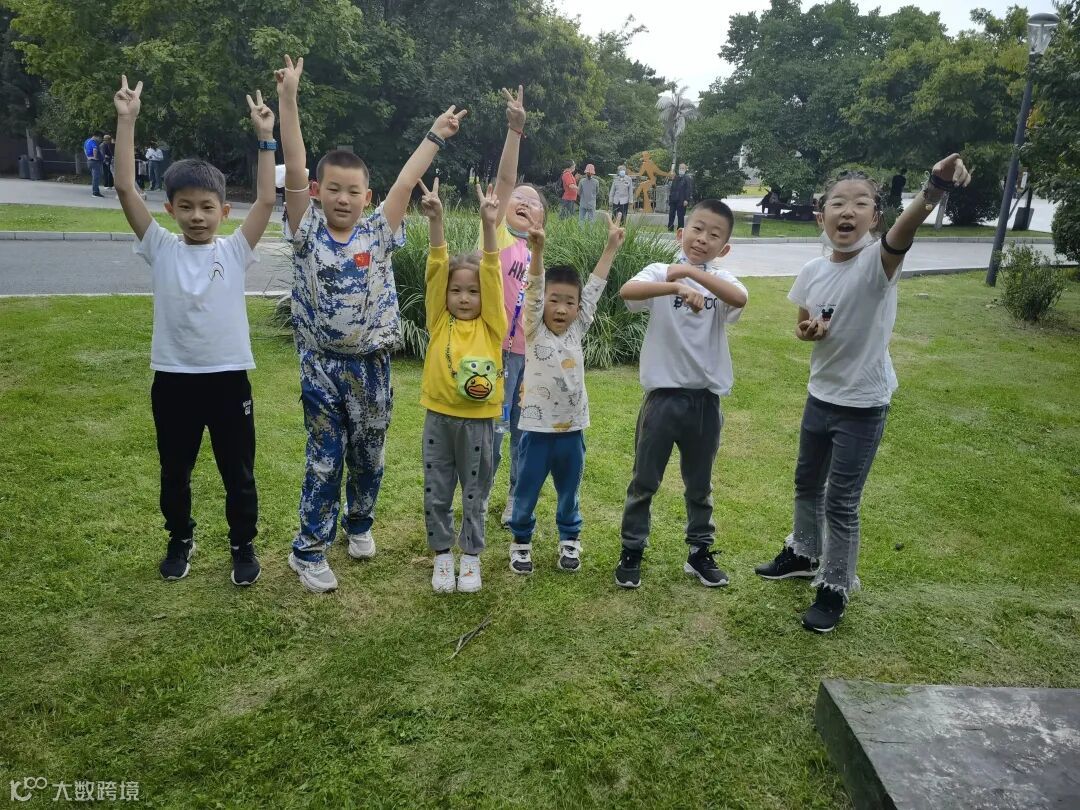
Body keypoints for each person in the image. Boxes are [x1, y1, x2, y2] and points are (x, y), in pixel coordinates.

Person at [753, 155, 972, 633]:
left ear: (875, 218)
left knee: (841, 500)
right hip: (820, 394)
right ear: (822, 215)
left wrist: (935, 188)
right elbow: (803, 327)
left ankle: (834, 585)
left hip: (863, 403)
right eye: (837, 203)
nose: (847, 211)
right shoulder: (813, 270)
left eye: (860, 203)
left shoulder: (879, 263)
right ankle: (804, 553)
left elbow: (905, 229)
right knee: (806, 483)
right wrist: (809, 331)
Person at [276, 54, 467, 593]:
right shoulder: (306, 230)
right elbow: (295, 164)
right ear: (318, 191)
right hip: (320, 367)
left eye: (353, 191)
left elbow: (406, 181)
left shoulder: (378, 231)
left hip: (373, 367)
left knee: (369, 453)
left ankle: (358, 523)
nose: (343, 198)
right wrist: (289, 99)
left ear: (367, 196)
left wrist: (435, 135)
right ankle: (308, 549)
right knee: (324, 458)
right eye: (333, 188)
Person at [111, 75, 278, 586]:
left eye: (208, 207)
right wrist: (126, 121)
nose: (198, 217)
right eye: (186, 207)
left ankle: (242, 544)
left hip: (229, 380)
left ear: (224, 211)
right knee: (174, 471)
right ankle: (180, 538)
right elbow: (125, 188)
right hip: (174, 381)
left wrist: (265, 138)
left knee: (238, 473)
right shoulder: (160, 246)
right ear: (170, 210)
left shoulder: (235, 249)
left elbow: (266, 201)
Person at [614, 199, 748, 589]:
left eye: (714, 235)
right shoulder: (661, 272)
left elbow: (740, 299)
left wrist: (691, 273)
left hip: (705, 401)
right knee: (644, 481)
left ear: (724, 247)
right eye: (697, 229)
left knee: (700, 485)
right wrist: (675, 283)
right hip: (662, 399)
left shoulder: (722, 280)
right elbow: (627, 291)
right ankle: (632, 550)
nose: (703, 238)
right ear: (680, 233)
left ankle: (699, 552)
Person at [507, 212, 625, 575]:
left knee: (569, 492)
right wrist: (537, 252)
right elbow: (534, 289)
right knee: (526, 491)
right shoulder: (534, 328)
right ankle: (521, 542)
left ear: (578, 308)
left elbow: (594, 287)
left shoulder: (577, 328)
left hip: (572, 430)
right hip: (536, 432)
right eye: (554, 300)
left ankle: (570, 539)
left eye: (569, 303)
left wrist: (610, 247)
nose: (561, 308)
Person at [418, 179, 507, 593]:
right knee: (437, 490)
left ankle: (470, 557)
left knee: (475, 492)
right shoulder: (439, 320)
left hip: (479, 422)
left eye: (472, 291)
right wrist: (436, 222)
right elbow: (437, 269)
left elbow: (492, 272)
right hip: (439, 418)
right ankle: (441, 556)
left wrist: (489, 225)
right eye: (457, 290)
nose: (465, 297)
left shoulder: (492, 326)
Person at [484, 85, 538, 529]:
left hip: (529, 358)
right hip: (493, 352)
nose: (523, 202)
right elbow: (504, 183)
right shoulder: (498, 236)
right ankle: (481, 493)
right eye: (519, 199)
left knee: (523, 433)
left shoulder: (540, 254)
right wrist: (515, 130)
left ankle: (515, 499)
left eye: (534, 202)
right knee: (491, 430)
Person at [667, 162, 694, 231]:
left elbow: (689, 189)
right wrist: (670, 199)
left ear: (685, 169)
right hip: (673, 199)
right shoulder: (675, 177)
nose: (681, 170)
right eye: (680, 168)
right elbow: (672, 189)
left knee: (680, 216)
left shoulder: (687, 178)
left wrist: (687, 200)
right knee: (671, 214)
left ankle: (680, 229)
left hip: (682, 200)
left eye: (682, 168)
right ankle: (670, 228)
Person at [84, 130, 104, 197]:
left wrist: (88, 157)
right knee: (96, 177)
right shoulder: (94, 142)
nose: (100, 140)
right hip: (95, 162)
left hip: (89, 161)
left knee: (95, 176)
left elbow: (84, 149)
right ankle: (95, 192)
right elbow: (94, 149)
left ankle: (96, 191)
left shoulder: (87, 141)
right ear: (97, 136)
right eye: (101, 138)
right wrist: (95, 157)